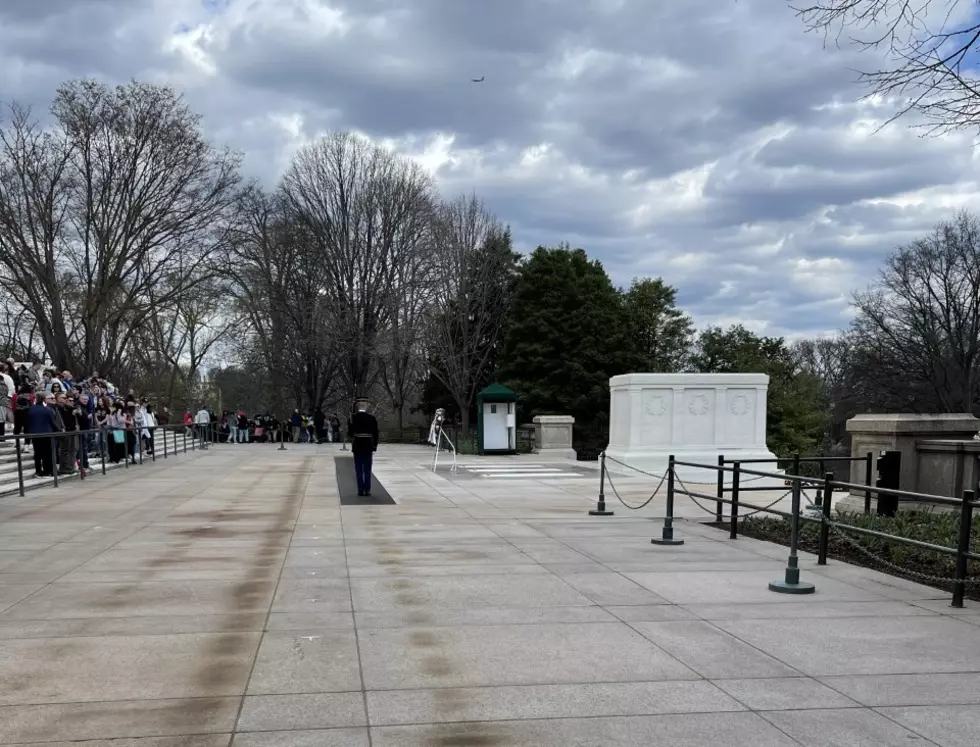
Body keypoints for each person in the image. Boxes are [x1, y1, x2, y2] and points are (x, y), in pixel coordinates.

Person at [348, 399, 379, 497]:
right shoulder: (371, 418)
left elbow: (350, 433)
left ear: (357, 407)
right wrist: (374, 446)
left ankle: (360, 489)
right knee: (367, 469)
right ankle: (367, 489)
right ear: (366, 407)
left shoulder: (353, 418)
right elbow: (376, 433)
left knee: (358, 469)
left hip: (357, 444)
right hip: (368, 444)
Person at [26, 393, 59, 477]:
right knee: (47, 453)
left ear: (36, 399)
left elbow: (27, 422)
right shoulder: (47, 410)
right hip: (46, 433)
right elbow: (52, 422)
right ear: (44, 399)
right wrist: (58, 429)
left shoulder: (30, 409)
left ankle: (38, 471)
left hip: (35, 434)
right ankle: (48, 470)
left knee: (37, 453)